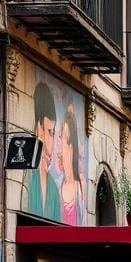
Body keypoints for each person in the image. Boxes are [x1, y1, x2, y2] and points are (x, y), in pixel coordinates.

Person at [25, 81, 59, 220]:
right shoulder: (27, 179)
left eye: (53, 133)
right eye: (50, 132)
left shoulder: (54, 189)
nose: (53, 141)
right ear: (38, 128)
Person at [56, 105, 84, 225]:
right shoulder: (57, 186)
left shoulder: (81, 187)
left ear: (71, 145)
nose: (59, 145)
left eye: (62, 138)